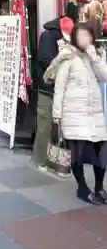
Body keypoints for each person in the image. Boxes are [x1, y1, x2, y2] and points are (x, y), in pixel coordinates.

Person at [45, 22, 107, 204]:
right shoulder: (67, 57)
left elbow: (104, 77)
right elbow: (60, 88)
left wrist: (94, 57)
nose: (83, 39)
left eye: (86, 35)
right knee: (77, 154)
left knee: (101, 153)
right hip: (73, 114)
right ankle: (82, 188)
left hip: (94, 113)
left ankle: (99, 187)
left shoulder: (96, 55)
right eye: (79, 36)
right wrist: (57, 115)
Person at [33, 16, 74, 169]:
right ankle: (40, 161)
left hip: (56, 90)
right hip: (46, 89)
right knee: (44, 126)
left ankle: (50, 159)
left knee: (54, 127)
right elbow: (46, 61)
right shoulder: (47, 37)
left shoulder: (59, 38)